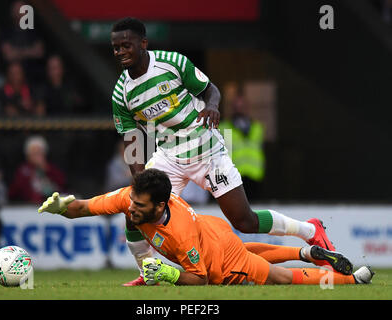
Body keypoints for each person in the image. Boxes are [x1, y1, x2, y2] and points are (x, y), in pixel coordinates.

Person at [109, 17, 336, 285]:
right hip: (169, 157)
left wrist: (213, 106)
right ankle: (147, 273)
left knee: (244, 221)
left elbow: (210, 90)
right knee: (134, 212)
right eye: (116, 48)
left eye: (127, 45)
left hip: (206, 151)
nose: (121, 52)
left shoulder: (172, 63)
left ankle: (310, 230)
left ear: (143, 43)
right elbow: (131, 136)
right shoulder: (121, 92)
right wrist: (138, 177)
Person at [38, 168, 374, 286]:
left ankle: (349, 280)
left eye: (139, 207)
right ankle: (306, 251)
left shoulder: (179, 232)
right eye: (132, 202)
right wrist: (62, 208)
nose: (131, 209)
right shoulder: (132, 197)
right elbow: (87, 206)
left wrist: (169, 275)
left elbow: (199, 279)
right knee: (251, 249)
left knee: (280, 277)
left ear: (159, 206)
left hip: (222, 264)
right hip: (216, 233)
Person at [219, 92, 265, 200]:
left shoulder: (257, 127)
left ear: (248, 108)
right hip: (234, 176)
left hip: (255, 175)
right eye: (236, 107)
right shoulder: (225, 128)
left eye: (242, 106)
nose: (239, 110)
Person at [9, 135, 65, 204]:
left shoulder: (51, 169)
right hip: (27, 206)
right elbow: (15, 191)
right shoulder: (22, 171)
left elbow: (61, 185)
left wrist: (46, 170)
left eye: (39, 153)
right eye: (33, 153)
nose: (36, 156)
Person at [0, 0, 45, 85]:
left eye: (22, 10)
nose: (19, 13)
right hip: (10, 75)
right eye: (16, 10)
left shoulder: (33, 31)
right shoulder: (5, 31)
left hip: (32, 73)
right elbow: (8, 56)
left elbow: (39, 52)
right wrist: (30, 51)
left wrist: (17, 52)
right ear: (12, 13)